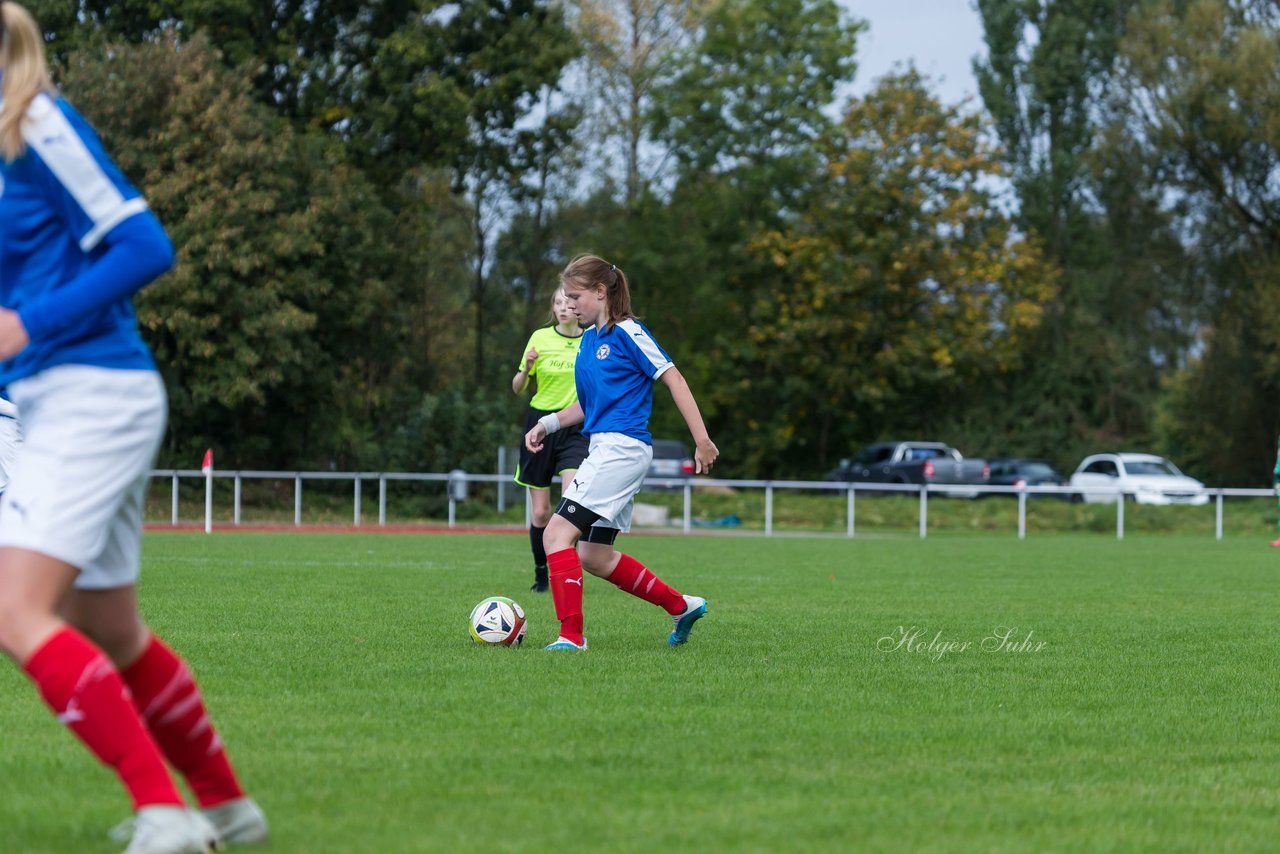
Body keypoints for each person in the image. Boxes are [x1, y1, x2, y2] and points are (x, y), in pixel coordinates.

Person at [0, 4, 267, 852]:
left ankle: (163, 811)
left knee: (15, 612)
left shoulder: (30, 117)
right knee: (110, 631)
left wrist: (26, 324)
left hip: (93, 393)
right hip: (57, 398)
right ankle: (229, 810)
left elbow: (146, 246)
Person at [524, 254, 719, 650]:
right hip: (605, 448)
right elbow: (588, 407)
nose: (570, 305)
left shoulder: (628, 331)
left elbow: (673, 376)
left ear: (600, 292)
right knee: (595, 555)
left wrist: (702, 439)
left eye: (576, 296)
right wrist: (547, 424)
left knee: (557, 535)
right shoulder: (590, 342)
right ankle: (681, 606)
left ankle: (571, 637)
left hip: (621, 449)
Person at [511, 288, 589, 592]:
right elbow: (518, 387)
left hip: (576, 427)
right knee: (542, 512)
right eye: (557, 302)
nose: (564, 308)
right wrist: (527, 368)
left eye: (568, 302)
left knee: (572, 503)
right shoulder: (539, 338)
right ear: (553, 308)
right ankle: (541, 573)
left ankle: (565, 571)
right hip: (539, 427)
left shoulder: (591, 338)